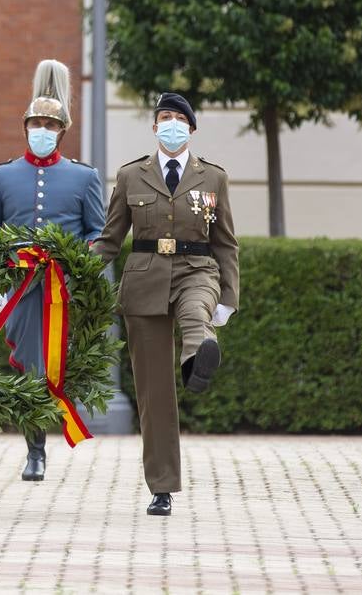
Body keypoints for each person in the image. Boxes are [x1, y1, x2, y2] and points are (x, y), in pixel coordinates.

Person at [91, 93, 239, 517]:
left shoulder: (213, 177)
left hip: (197, 269)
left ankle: (198, 355)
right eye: (164, 118)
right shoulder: (131, 176)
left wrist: (229, 296)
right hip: (145, 279)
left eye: (179, 118)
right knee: (154, 392)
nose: (171, 124)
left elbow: (226, 242)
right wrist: (76, 273)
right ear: (155, 128)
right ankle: (162, 486)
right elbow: (109, 239)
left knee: (197, 315)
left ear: (191, 129)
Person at [0, 59, 105, 483]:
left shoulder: (83, 178)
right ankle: (35, 445)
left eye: (50, 125)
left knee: (47, 368)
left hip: (62, 288)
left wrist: (78, 265)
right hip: (20, 288)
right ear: (25, 126)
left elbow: (97, 233)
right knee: (29, 367)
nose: (43, 131)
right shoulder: (0, 176)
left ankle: (38, 446)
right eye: (36, 123)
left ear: (61, 132)